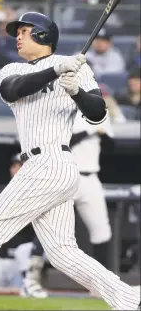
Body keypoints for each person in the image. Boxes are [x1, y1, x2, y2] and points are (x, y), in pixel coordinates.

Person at [0, 12, 140, 311]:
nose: (18, 36)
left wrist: (76, 91)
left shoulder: (76, 68)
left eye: (25, 31)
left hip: (54, 161)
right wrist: (56, 70)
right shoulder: (13, 68)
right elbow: (12, 89)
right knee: (62, 251)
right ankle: (131, 301)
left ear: (43, 35)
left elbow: (98, 114)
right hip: (37, 164)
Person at [0, 153, 47, 297]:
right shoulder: (1, 190)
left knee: (22, 296)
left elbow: (34, 222)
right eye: (14, 166)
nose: (17, 169)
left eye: (21, 166)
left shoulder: (38, 193)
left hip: (22, 257)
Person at [70, 114, 113, 270]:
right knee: (52, 228)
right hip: (68, 176)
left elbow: (110, 148)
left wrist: (103, 134)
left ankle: (105, 283)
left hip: (92, 178)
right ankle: (32, 276)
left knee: (102, 231)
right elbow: (65, 142)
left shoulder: (100, 114)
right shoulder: (65, 111)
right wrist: (90, 130)